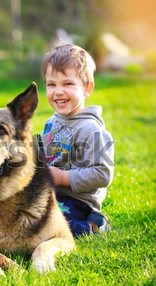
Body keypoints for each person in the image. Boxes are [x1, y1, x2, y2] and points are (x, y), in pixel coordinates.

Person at [40, 43, 114, 236]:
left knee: (53, 225)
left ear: (87, 88)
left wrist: (63, 177)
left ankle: (93, 225)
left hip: (77, 201)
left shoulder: (90, 129)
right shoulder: (51, 123)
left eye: (68, 84)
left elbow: (103, 173)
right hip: (51, 192)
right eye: (51, 84)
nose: (58, 92)